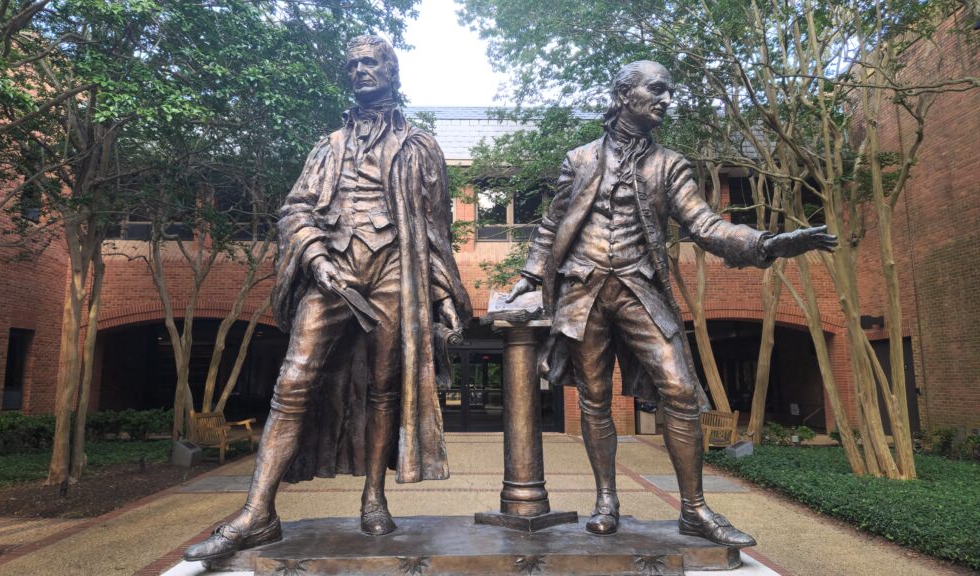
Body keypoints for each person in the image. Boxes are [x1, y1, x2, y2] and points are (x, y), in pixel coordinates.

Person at [506, 60, 835, 546]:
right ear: (624, 94)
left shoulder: (670, 164)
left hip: (640, 288)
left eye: (669, 92)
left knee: (680, 390)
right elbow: (552, 224)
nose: (665, 100)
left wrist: (765, 243)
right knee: (593, 398)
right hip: (581, 290)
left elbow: (705, 225)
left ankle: (693, 510)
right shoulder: (579, 159)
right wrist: (530, 276)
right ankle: (606, 500)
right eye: (656, 89)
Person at [185, 35, 470, 562]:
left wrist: (441, 294)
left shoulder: (420, 145)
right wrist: (317, 258)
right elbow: (295, 209)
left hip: (395, 271)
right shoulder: (329, 145)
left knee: (384, 388)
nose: (361, 69)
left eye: (371, 62)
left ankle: (373, 497)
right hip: (332, 271)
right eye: (353, 64)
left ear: (391, 70)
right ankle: (258, 512)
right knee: (292, 382)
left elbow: (435, 229)